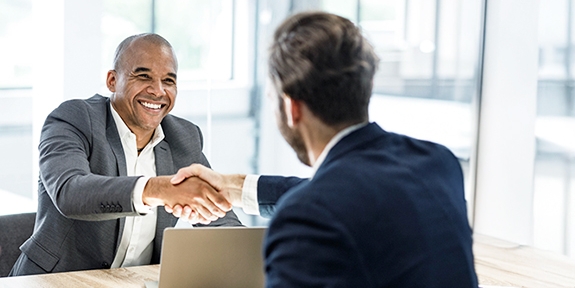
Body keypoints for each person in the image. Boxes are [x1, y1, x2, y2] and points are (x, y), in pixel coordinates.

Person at [171, 11, 478, 287]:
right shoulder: (438, 163)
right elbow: (352, 195)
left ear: (291, 108)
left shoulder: (307, 217)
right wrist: (234, 187)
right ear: (365, 87)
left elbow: (332, 201)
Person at [9, 33, 241, 276]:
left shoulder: (183, 137)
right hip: (55, 280)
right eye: (143, 77)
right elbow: (70, 191)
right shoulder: (74, 119)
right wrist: (157, 190)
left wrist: (252, 251)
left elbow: (219, 217)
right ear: (112, 80)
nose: (158, 91)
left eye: (169, 81)